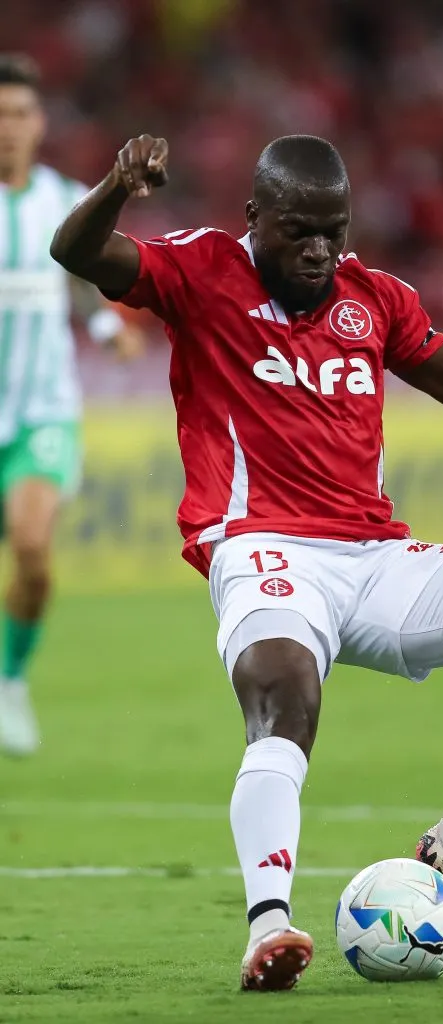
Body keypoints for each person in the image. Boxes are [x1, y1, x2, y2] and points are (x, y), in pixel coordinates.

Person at [50, 132, 443, 992]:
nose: (319, 249)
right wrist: (118, 184)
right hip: (259, 544)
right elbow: (73, 252)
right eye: (300, 230)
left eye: (333, 230)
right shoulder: (198, 271)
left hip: (371, 555)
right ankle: (269, 925)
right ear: (255, 217)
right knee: (285, 696)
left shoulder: (373, 299)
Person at [0, 55, 143, 757]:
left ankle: (10, 682)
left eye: (20, 115)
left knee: (31, 546)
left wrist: (108, 327)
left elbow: (81, 281)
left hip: (41, 413)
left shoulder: (62, 198)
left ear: (39, 123)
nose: (8, 129)